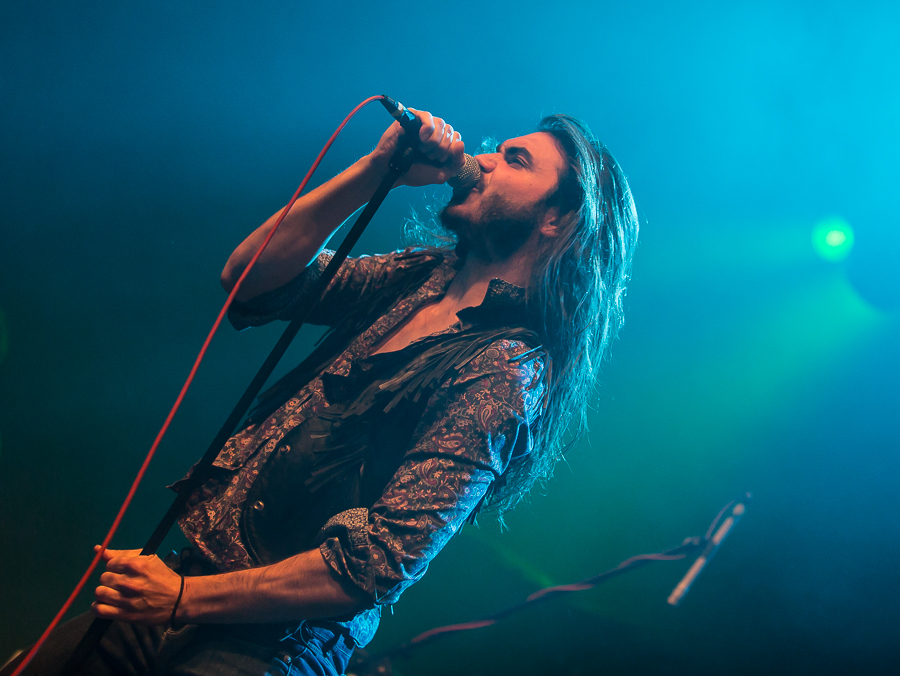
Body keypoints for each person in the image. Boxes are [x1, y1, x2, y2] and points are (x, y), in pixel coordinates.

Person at [3, 107, 638, 675]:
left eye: (516, 160)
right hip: (186, 577)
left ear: (557, 219)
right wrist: (377, 169)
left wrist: (182, 600)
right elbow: (251, 277)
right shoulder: (419, 277)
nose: (488, 158)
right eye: (498, 149)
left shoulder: (505, 368)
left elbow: (381, 561)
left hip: (271, 643)